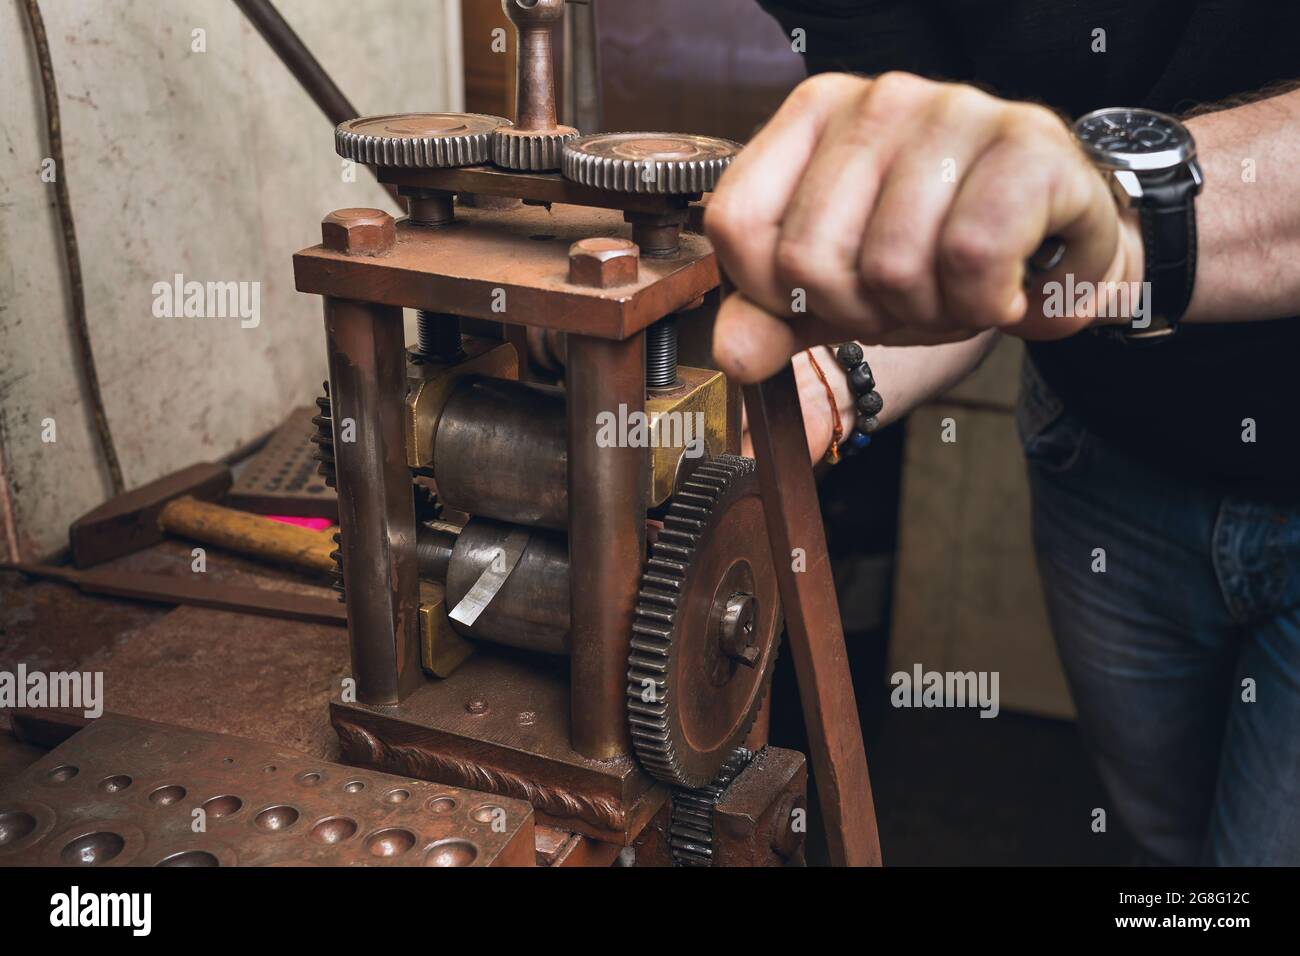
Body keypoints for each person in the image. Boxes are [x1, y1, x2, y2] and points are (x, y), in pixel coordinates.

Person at [710, 0, 1300, 865]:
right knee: (1162, 840)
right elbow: (963, 243)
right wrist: (828, 382)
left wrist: (1108, 212)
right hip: (1102, 466)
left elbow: (1041, 221)